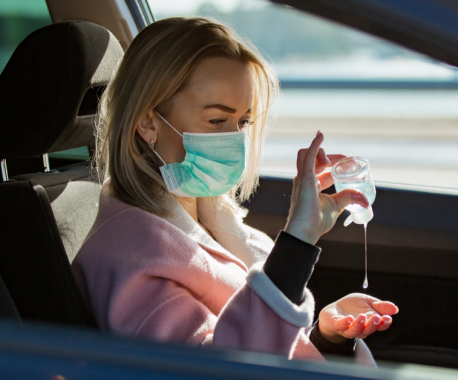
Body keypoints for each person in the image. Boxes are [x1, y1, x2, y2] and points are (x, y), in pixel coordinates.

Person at [72, 17, 399, 364]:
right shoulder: (130, 253)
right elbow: (219, 369)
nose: (235, 139)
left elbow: (261, 340)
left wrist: (326, 337)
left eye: (242, 122)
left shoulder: (216, 225)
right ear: (148, 122)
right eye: (216, 120)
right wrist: (297, 242)